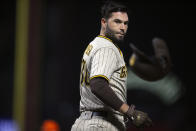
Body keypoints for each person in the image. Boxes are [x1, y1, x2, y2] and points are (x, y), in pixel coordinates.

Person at [71, 1, 171, 131]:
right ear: (104, 22)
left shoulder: (95, 44)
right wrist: (130, 112)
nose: (123, 27)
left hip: (89, 121)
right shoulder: (107, 48)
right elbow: (98, 85)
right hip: (101, 123)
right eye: (117, 22)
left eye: (125, 23)